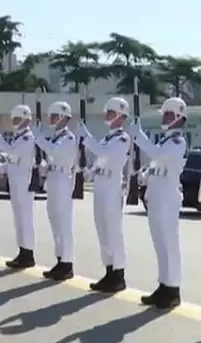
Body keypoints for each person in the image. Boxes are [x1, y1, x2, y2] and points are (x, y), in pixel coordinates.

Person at [129, 97, 188, 309]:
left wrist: (139, 137)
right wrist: (144, 175)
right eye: (164, 114)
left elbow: (157, 154)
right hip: (156, 196)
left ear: (179, 117)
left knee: (169, 244)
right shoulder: (164, 141)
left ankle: (173, 289)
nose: (164, 117)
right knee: (160, 244)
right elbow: (156, 163)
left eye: (169, 114)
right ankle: (164, 285)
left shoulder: (177, 142)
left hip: (167, 198)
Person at [78, 98, 133, 293]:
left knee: (113, 231)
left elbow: (104, 152)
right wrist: (91, 171)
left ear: (120, 115)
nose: (107, 116)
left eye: (111, 112)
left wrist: (86, 136)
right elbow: (101, 158)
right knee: (102, 229)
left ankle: (118, 274)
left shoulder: (122, 139)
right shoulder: (106, 138)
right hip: (100, 186)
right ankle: (109, 270)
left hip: (112, 188)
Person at [0, 105, 39, 269]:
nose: (14, 122)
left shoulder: (27, 138)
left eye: (17, 119)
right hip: (15, 182)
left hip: (23, 183)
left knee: (25, 219)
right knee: (19, 219)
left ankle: (28, 253)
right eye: (14, 120)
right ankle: (22, 251)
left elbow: (12, 152)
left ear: (26, 120)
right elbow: (12, 158)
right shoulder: (18, 137)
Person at [36, 101, 78, 280]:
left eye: (53, 116)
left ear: (63, 117)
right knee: (54, 221)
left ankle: (67, 263)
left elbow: (54, 151)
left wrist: (38, 138)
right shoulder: (55, 137)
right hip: (54, 179)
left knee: (63, 223)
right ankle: (60, 260)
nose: (50, 119)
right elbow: (53, 155)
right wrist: (46, 166)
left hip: (62, 181)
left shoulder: (68, 138)